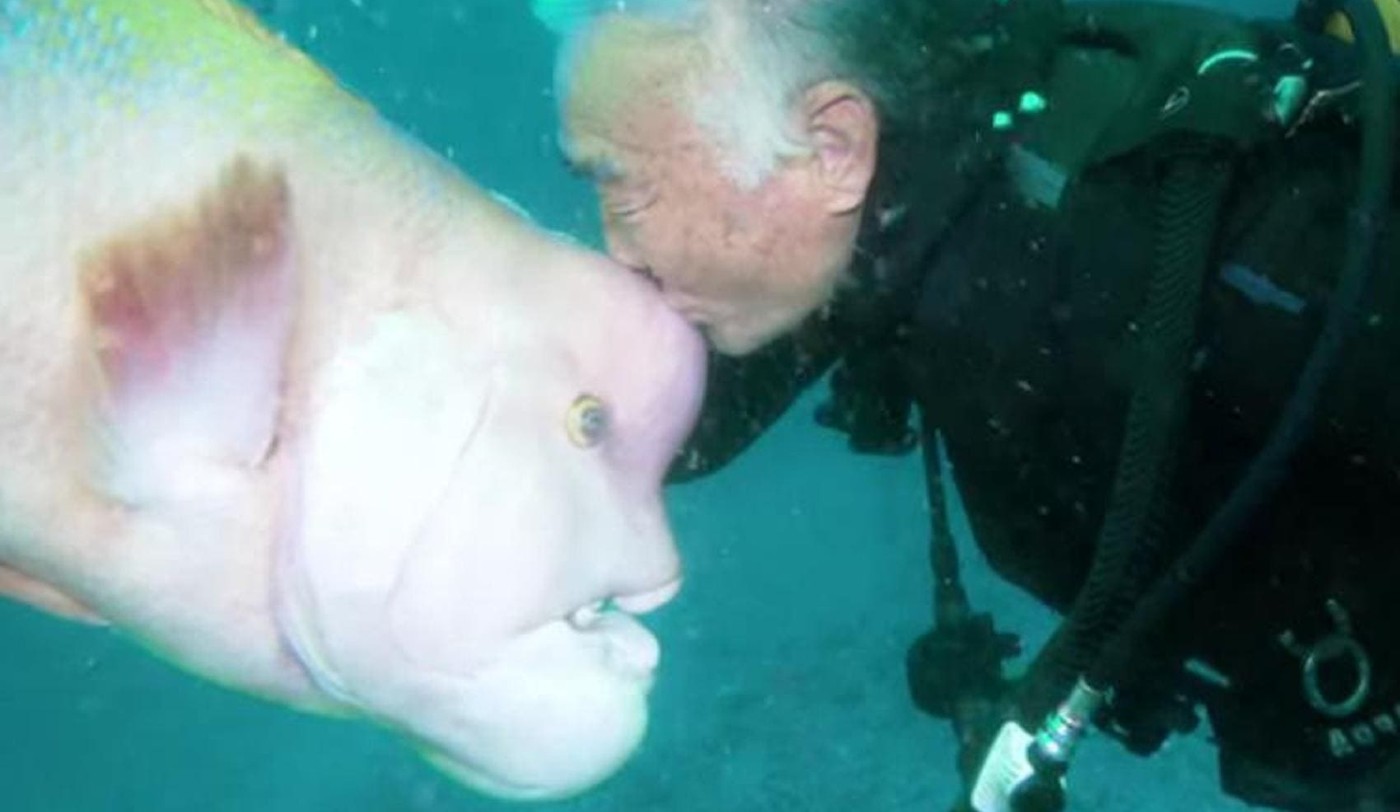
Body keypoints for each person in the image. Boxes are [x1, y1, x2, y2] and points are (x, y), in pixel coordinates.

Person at [545, 0, 1400, 808]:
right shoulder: (886, 225)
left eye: (624, 192)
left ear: (832, 147)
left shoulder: (1206, 239)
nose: (616, 252)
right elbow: (658, 420)